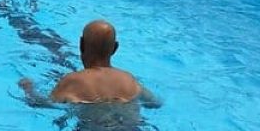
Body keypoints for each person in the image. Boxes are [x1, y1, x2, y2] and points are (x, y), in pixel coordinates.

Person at [20, 20, 160, 107]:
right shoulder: (128, 79)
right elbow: (155, 103)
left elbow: (43, 104)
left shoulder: (72, 80)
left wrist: (29, 90)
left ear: (81, 45)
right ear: (115, 48)